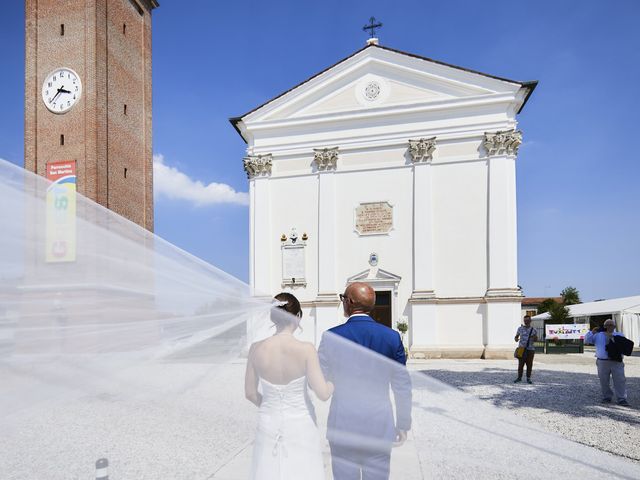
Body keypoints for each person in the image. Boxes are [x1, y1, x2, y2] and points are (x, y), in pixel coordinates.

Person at [318, 282, 412, 480]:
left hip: (343, 426)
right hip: (379, 426)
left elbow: (320, 380)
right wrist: (403, 423)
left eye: (343, 298)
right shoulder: (392, 337)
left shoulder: (331, 337)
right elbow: (402, 386)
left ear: (350, 302)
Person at [245, 292, 334, 480]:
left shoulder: (255, 348)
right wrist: (333, 382)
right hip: (301, 422)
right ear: (298, 317)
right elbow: (323, 393)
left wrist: (270, 405)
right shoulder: (306, 349)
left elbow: (250, 393)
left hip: (268, 421)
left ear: (272, 316)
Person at [584, 318, 629, 406]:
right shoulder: (598, 335)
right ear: (604, 326)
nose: (608, 326)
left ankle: (622, 398)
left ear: (614, 326)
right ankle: (607, 397)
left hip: (617, 362)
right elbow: (587, 340)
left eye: (611, 325)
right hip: (602, 362)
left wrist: (611, 337)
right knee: (604, 381)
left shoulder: (619, 335)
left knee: (620, 380)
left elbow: (625, 346)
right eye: (607, 325)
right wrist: (592, 332)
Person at [514, 315, 537, 384]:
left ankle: (528, 378)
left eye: (527, 320)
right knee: (520, 364)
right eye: (525, 320)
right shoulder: (520, 328)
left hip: (530, 349)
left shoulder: (534, 330)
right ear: (524, 321)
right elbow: (516, 337)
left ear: (530, 321)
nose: (526, 322)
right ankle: (519, 377)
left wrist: (535, 337)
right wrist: (516, 338)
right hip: (521, 349)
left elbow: (536, 340)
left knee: (529, 365)